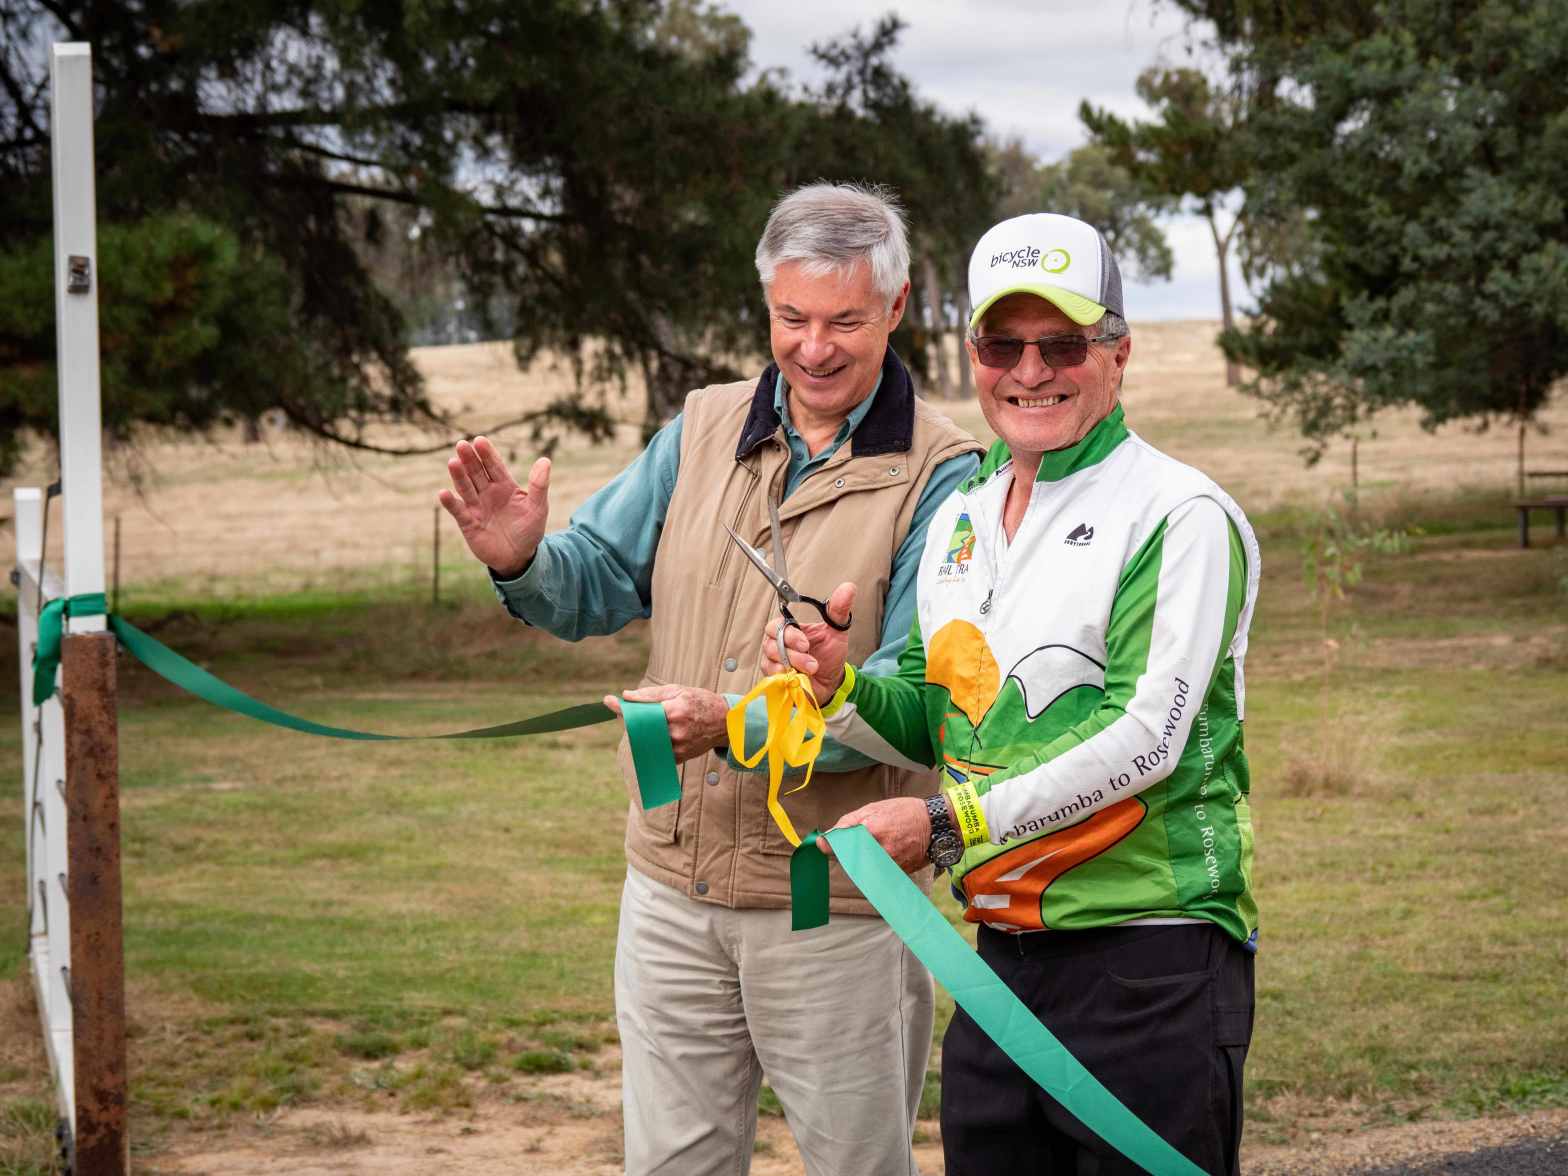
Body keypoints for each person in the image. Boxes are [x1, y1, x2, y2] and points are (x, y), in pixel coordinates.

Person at [438, 182, 983, 1176]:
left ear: (896, 309)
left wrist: (746, 716)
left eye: (844, 321)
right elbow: (594, 580)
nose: (812, 348)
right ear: (765, 304)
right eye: (790, 318)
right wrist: (524, 561)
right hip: (669, 892)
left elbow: (919, 710)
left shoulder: (946, 473)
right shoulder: (699, 427)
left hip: (836, 905)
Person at [763, 211, 1261, 1176]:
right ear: (972, 353)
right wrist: (840, 685)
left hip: (1150, 956)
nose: (1030, 371)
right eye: (1003, 343)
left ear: (1118, 353)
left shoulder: (1179, 512)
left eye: (1063, 343)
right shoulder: (962, 513)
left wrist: (945, 826)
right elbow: (928, 702)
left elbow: (1146, 740)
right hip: (999, 959)